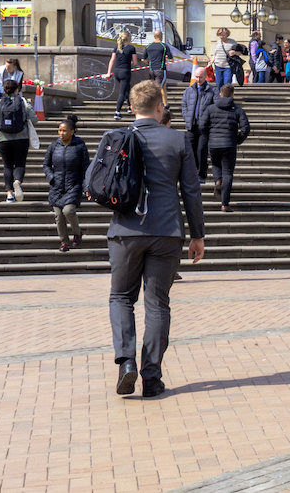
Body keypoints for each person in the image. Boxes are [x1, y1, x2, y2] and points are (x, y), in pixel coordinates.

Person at [107, 79, 205, 398]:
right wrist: (197, 235)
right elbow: (191, 190)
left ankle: (126, 364)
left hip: (126, 230)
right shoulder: (177, 140)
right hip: (166, 230)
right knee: (157, 303)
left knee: (122, 297)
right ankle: (152, 377)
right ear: (159, 106)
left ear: (132, 107)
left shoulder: (117, 136)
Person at [201, 82, 251, 211]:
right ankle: (225, 204)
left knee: (216, 165)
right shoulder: (238, 110)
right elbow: (246, 128)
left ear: (220, 94)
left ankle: (217, 181)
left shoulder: (210, 108)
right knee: (228, 173)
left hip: (214, 144)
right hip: (229, 144)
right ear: (232, 95)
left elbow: (202, 125)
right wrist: (237, 140)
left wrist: (209, 136)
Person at [0, 80, 39, 202]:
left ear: (4, 90)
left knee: (7, 166)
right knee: (20, 164)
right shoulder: (24, 103)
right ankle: (17, 181)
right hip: (21, 137)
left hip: (2, 138)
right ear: (17, 89)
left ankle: (9, 194)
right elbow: (34, 119)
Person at [45, 113, 89, 252]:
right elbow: (46, 165)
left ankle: (77, 232)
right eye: (59, 130)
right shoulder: (53, 146)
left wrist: (86, 185)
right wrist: (50, 177)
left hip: (73, 185)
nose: (61, 133)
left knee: (68, 210)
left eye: (64, 131)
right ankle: (64, 242)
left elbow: (86, 167)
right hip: (56, 186)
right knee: (58, 215)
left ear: (72, 131)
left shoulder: (80, 146)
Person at [180, 67, 216, 182]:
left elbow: (216, 106)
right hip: (192, 125)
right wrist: (186, 117)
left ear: (205, 77)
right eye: (196, 77)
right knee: (190, 149)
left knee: (202, 150)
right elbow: (184, 105)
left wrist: (208, 121)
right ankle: (193, 171)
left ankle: (201, 174)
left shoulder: (212, 90)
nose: (198, 79)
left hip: (204, 128)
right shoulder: (189, 90)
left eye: (200, 77)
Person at [108, 36, 141, 122]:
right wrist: (129, 62)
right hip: (125, 71)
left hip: (116, 71)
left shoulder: (117, 47)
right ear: (128, 39)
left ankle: (130, 107)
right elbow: (135, 62)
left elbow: (112, 60)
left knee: (127, 88)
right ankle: (117, 112)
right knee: (122, 92)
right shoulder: (131, 48)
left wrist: (108, 73)